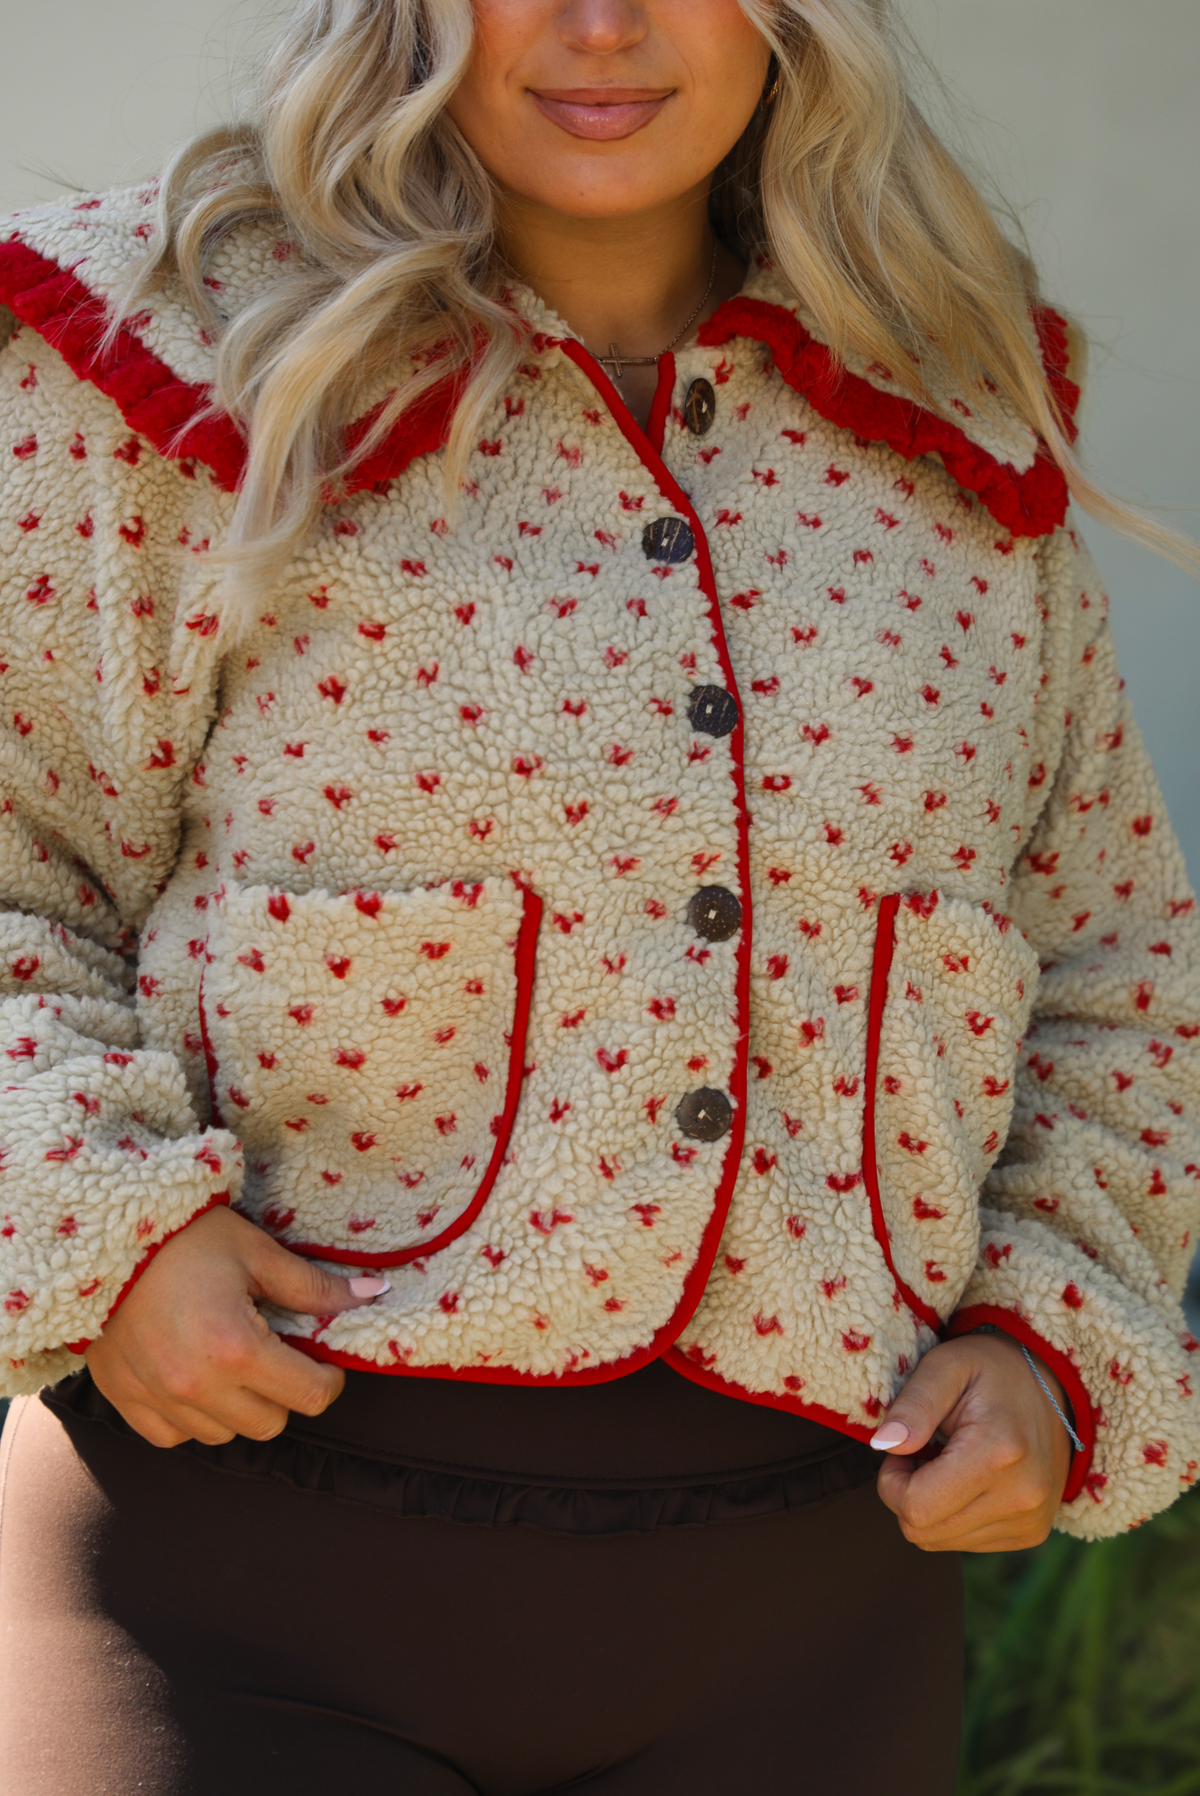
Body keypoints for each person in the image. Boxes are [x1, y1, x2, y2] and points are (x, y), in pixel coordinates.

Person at [0, 0, 1196, 1789]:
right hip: (224, 1595)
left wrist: (1051, 1336)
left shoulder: (949, 403)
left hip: (811, 1627)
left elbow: (1108, 960)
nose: (603, 27)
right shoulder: (163, 340)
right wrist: (105, 1222)